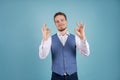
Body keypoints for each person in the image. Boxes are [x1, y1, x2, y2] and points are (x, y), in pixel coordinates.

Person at [39, 12, 90, 80]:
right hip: (56, 76)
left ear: (66, 21)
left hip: (73, 76)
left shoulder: (75, 38)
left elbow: (86, 53)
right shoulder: (50, 39)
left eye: (62, 20)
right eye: (57, 21)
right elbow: (42, 56)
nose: (60, 23)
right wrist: (44, 40)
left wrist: (83, 38)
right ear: (55, 24)